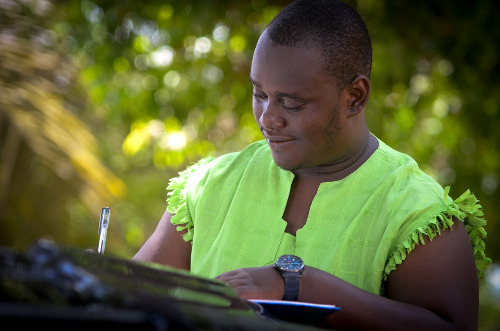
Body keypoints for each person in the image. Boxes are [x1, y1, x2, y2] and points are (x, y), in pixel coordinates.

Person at [133, 0, 490, 329]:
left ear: (355, 97)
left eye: (290, 103)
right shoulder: (209, 186)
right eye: (259, 94)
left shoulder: (417, 213)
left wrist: (304, 287)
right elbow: (130, 295)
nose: (268, 118)